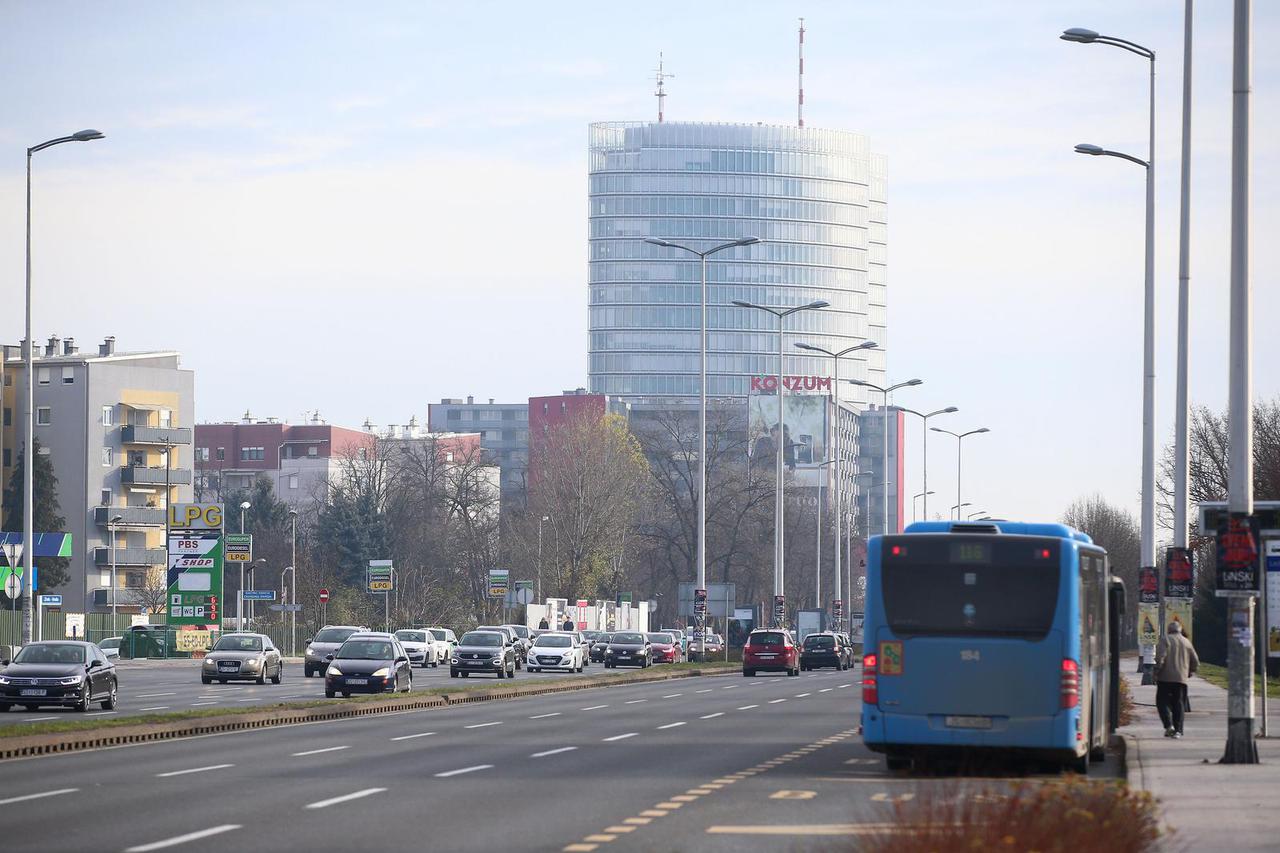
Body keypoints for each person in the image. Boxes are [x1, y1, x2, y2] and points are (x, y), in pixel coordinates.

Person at [1154, 620, 1198, 738]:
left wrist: (1157, 671)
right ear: (1180, 630)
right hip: (1181, 679)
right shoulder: (1186, 642)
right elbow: (1195, 660)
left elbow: (1160, 657)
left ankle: (1169, 726)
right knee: (1179, 704)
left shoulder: (1165, 639)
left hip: (1165, 678)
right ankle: (1178, 730)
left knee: (1162, 702)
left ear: (1169, 630)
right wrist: (1190, 671)